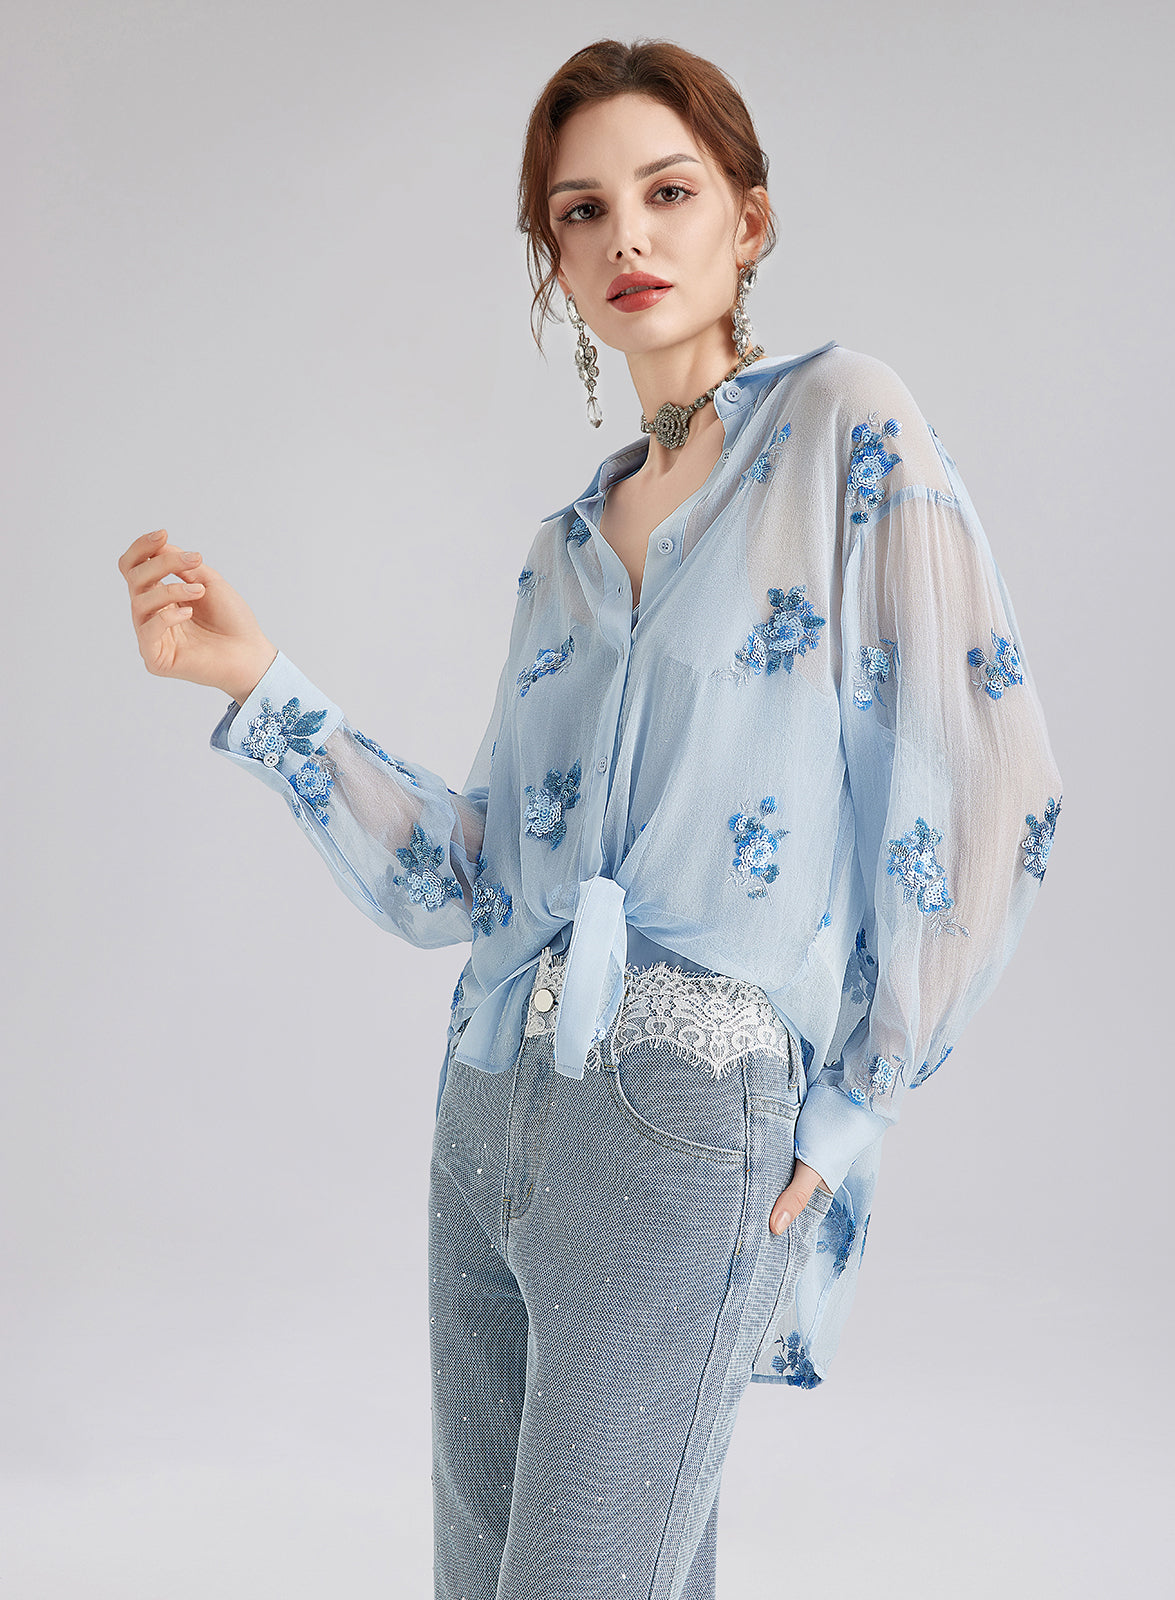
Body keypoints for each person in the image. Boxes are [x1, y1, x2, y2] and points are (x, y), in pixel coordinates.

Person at [118, 36, 1063, 1599]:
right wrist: (258, 684)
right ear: (553, 260)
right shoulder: (562, 548)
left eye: (668, 192)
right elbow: (468, 881)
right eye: (582, 210)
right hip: (487, 1113)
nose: (628, 234)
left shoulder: (845, 424)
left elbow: (989, 781)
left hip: (690, 1117)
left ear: (748, 219)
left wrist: (853, 1107)